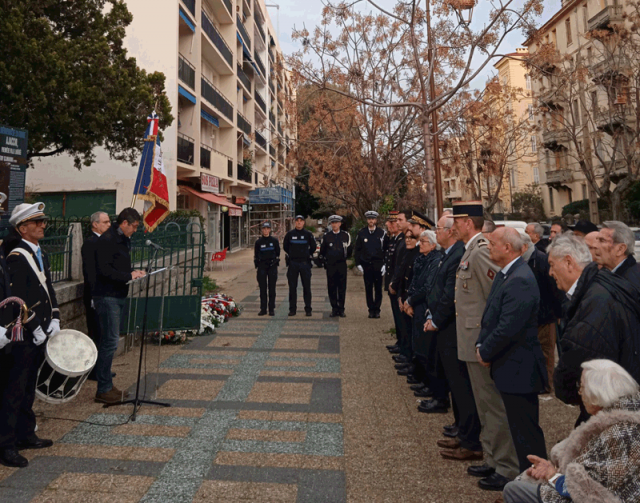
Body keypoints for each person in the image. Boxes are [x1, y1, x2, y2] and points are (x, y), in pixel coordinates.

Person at [451, 201, 519, 491]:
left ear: (468, 222)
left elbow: (498, 298)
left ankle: (505, 466)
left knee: (493, 407)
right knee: (484, 406)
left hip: (479, 340)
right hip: (471, 340)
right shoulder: (472, 249)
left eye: (457, 220)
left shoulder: (480, 252)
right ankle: (492, 458)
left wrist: (488, 342)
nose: (453, 225)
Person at [503, 359, 640, 503]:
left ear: (597, 393)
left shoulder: (619, 434)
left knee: (514, 490)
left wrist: (553, 475)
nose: (580, 393)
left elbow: (587, 492)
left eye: (582, 387)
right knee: (526, 480)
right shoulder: (625, 419)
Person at [547, 233, 640, 425]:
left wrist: (567, 390)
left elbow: (580, 355)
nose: (550, 272)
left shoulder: (596, 300)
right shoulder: (599, 285)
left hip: (610, 406)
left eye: (551, 264)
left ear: (569, 262)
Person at [477, 227, 548, 475]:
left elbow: (508, 327)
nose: (488, 247)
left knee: (525, 432)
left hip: (520, 369)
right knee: (518, 429)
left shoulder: (520, 279)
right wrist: (481, 345)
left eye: (492, 243)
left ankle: (535, 484)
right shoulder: (506, 273)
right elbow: (491, 317)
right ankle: (523, 482)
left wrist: (485, 352)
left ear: (507, 248)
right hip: (509, 366)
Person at [2, 202, 58, 466]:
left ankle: (26, 433)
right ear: (22, 228)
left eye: (43, 221)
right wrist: (34, 326)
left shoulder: (39, 252)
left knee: (27, 389)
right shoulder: (16, 255)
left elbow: (49, 289)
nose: (42, 225)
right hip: (23, 334)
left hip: (41, 330)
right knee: (14, 390)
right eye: (37, 222)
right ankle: (7, 444)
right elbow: (17, 298)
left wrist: (55, 317)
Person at [425, 214, 482, 460]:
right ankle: (463, 431)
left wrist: (437, 318)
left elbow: (453, 295)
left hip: (455, 329)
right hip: (448, 327)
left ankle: (470, 439)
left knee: (462, 387)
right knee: (457, 387)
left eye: (439, 227)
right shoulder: (454, 253)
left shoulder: (465, 253)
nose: (437, 232)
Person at [93, 208, 146, 404]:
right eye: (133, 226)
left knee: (111, 341)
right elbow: (105, 270)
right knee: (110, 342)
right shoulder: (108, 240)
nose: (135, 230)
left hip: (117, 294)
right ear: (124, 223)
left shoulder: (122, 239)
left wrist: (133, 272)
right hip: (107, 296)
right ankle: (104, 388)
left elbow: (119, 266)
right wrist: (127, 276)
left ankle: (106, 386)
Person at [401, 230, 442, 396]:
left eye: (423, 242)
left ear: (433, 245)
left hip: (424, 305)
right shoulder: (421, 259)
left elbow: (427, 287)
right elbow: (414, 282)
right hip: (416, 304)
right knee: (418, 343)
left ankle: (428, 384)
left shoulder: (435, 260)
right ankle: (422, 379)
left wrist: (411, 301)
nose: (420, 244)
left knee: (425, 347)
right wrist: (408, 300)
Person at [521, 233, 563, 390]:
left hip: (545, 315)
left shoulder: (541, 259)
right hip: (530, 316)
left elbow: (554, 288)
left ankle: (547, 383)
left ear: (525, 246)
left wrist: (557, 313)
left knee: (546, 351)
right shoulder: (524, 260)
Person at [82, 211, 111, 380]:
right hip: (95, 294)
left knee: (104, 333)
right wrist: (94, 295)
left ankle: (103, 369)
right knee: (96, 333)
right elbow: (90, 272)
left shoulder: (105, 242)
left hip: (106, 293)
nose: (108, 225)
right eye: (105, 222)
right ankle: (94, 371)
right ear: (95, 224)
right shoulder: (90, 243)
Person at [393, 231, 420, 374]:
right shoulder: (408, 252)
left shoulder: (418, 254)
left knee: (412, 335)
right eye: (406, 238)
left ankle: (411, 362)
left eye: (411, 238)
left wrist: (409, 300)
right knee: (406, 330)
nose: (408, 240)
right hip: (404, 297)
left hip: (413, 301)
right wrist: (400, 296)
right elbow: (402, 274)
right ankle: (408, 358)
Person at [388, 210, 412, 358]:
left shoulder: (406, 240)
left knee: (404, 322)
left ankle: (405, 350)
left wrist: (395, 284)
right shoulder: (400, 240)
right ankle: (402, 345)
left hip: (403, 287)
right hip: (397, 285)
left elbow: (402, 266)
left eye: (400, 219)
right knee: (399, 319)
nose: (397, 222)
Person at [283, 215, 316, 317]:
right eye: (297, 221)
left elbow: (313, 247)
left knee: (307, 287)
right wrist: (293, 254)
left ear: (303, 223)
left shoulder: (308, 234)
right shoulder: (289, 234)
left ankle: (308, 309)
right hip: (293, 264)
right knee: (292, 288)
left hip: (305, 264)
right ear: (295, 222)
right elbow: (285, 247)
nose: (299, 222)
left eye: (301, 221)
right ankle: (292, 309)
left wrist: (306, 254)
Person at [355, 211, 385, 318]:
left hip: (378, 264)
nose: (371, 221)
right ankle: (370, 309)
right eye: (369, 219)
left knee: (378, 288)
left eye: (373, 219)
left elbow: (385, 249)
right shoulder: (362, 233)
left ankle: (377, 310)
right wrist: (358, 263)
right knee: (368, 288)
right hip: (366, 265)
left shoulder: (382, 233)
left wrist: (385, 264)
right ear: (367, 220)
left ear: (376, 220)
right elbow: (357, 249)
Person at [319, 215, 351, 317]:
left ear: (340, 224)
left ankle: (341, 309)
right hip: (331, 266)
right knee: (332, 287)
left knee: (342, 287)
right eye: (332, 223)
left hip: (341, 265)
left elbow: (350, 250)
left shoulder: (345, 235)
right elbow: (322, 251)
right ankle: (334, 308)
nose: (334, 225)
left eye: (336, 223)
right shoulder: (327, 236)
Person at [594, 221, 640, 285]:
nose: (595, 245)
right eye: (597, 240)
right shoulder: (598, 272)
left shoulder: (634, 282)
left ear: (620, 249)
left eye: (602, 240)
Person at [383, 211, 404, 353]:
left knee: (401, 318)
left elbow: (399, 265)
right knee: (397, 317)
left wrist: (394, 284)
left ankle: (403, 345)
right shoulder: (394, 239)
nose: (388, 225)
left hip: (397, 285)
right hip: (392, 283)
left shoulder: (402, 240)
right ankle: (400, 342)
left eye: (391, 222)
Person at [254, 222, 280, 316]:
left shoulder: (274, 241)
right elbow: (256, 255)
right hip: (262, 267)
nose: (265, 230)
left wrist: (275, 262)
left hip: (272, 266)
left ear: (270, 230)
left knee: (272, 288)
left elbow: (278, 252)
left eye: (267, 228)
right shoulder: (258, 242)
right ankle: (263, 308)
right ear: (262, 230)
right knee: (262, 288)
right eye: (264, 229)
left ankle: (271, 308)